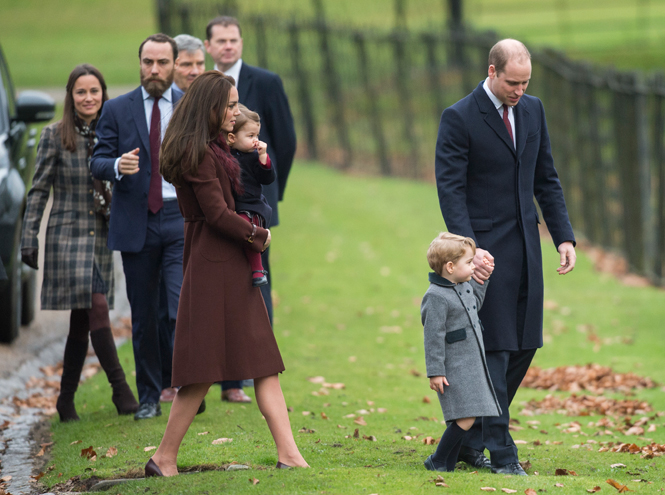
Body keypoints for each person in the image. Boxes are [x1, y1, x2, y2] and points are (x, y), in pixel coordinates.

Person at [145, 71, 309, 477]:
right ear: (211, 108)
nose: (236, 112)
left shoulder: (216, 148)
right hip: (214, 267)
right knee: (203, 371)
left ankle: (289, 454)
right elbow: (216, 214)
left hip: (231, 265)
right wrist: (258, 234)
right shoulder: (199, 153)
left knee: (262, 360)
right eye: (231, 105)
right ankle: (164, 458)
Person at [435, 39, 576, 475]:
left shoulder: (533, 110)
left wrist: (563, 237)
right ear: (492, 72)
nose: (519, 90)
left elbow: (546, 177)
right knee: (493, 347)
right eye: (512, 82)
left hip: (526, 246)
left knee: (524, 344)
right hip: (481, 252)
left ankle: (460, 443)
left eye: (525, 82)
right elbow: (451, 189)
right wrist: (469, 251)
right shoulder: (459, 117)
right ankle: (502, 452)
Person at [20, 64, 138, 422]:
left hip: (101, 234)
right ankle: (121, 391)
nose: (88, 98)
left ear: (104, 94)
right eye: (80, 92)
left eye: (94, 91)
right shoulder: (54, 135)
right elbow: (39, 189)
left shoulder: (113, 131)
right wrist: (29, 236)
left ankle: (65, 398)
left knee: (81, 320)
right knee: (97, 305)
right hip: (67, 235)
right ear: (71, 97)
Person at [91, 34, 195, 420]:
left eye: (162, 63)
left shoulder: (188, 107)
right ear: (139, 63)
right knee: (144, 317)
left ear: (174, 64)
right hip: (137, 221)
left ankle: (186, 389)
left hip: (180, 218)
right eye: (148, 62)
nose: (154, 70)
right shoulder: (118, 109)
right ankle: (149, 396)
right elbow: (97, 161)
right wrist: (117, 165)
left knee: (179, 309)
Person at [205, 15, 297, 402]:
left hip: (255, 206)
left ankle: (256, 371)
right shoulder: (204, 88)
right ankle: (220, 375)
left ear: (241, 43)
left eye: (234, 40)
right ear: (209, 46)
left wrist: (269, 192)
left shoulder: (267, 82)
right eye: (221, 41)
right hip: (216, 205)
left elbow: (286, 142)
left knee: (259, 284)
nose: (228, 46)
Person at [421, 232, 500, 472]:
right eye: (469, 262)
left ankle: (446, 462)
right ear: (450, 266)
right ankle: (437, 459)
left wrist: (482, 280)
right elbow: (432, 338)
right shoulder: (435, 296)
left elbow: (474, 304)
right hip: (453, 367)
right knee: (465, 417)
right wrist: (435, 372)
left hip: (472, 363)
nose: (472, 266)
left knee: (465, 416)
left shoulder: (462, 285)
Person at [227, 104, 275, 287]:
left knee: (248, 229)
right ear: (232, 137)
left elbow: (267, 178)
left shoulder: (254, 157)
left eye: (257, 135)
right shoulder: (225, 156)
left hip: (251, 205)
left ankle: (257, 270)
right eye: (250, 136)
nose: (256, 141)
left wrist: (263, 158)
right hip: (236, 203)